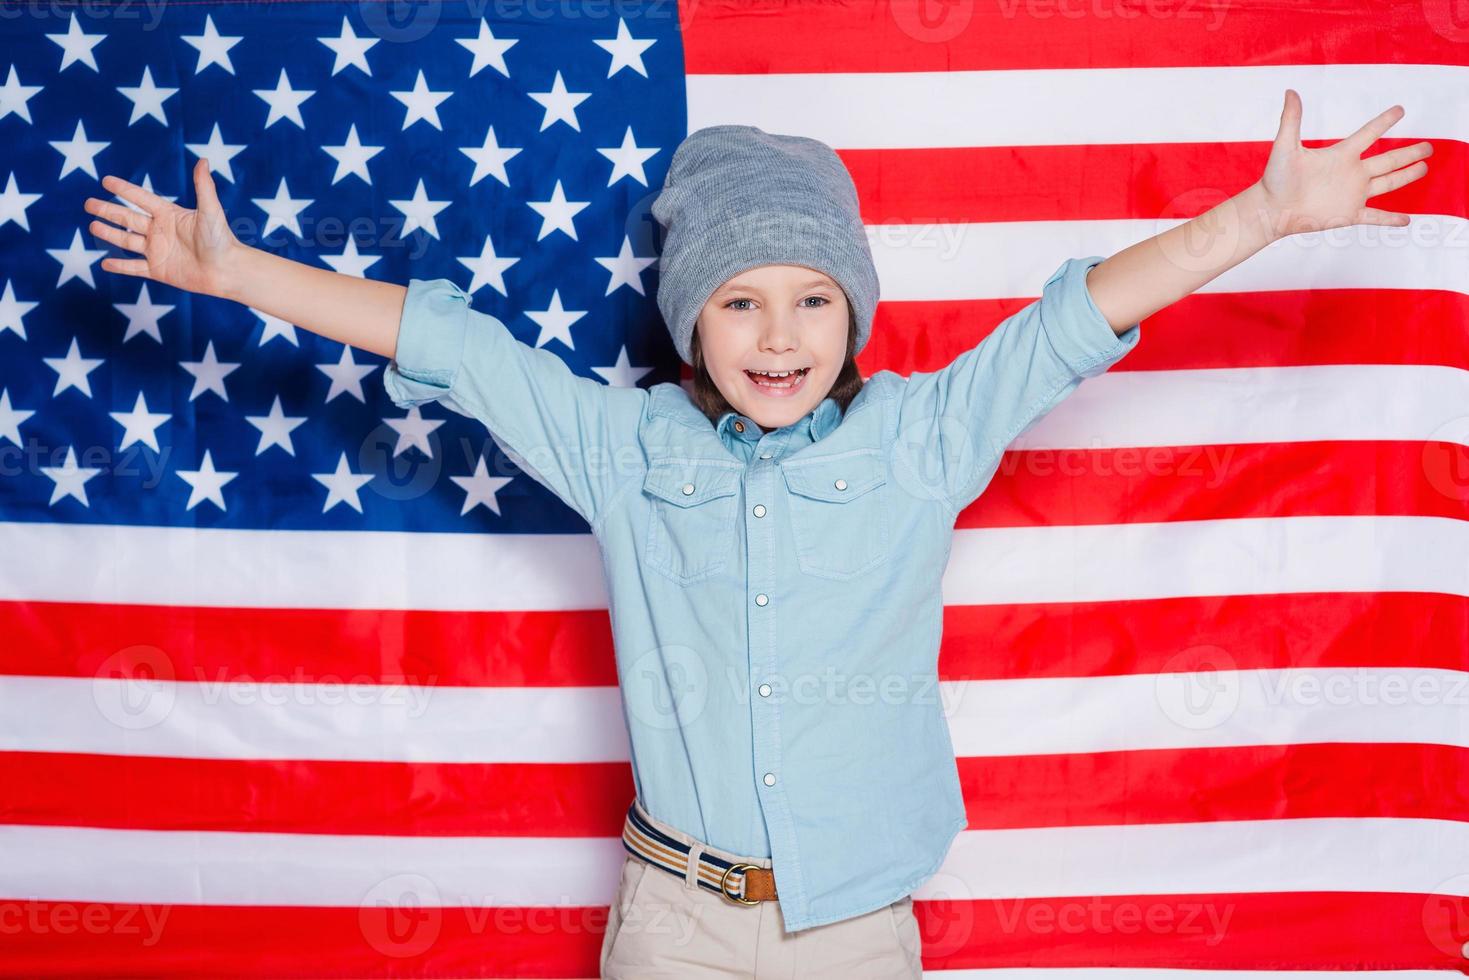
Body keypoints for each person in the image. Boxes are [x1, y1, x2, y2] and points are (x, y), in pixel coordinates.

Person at [83, 90, 1430, 978]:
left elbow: (1069, 324)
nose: (778, 336)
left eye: (809, 299)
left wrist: (1255, 217)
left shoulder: (920, 438)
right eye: (737, 302)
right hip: (670, 924)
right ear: (685, 322)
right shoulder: (623, 450)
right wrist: (237, 271)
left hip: (851, 925)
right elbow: (453, 345)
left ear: (853, 312)